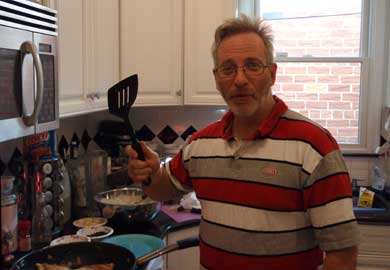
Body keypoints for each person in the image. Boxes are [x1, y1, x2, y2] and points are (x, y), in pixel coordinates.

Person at [126, 14, 360, 270]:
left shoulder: (314, 147)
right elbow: (164, 189)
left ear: (272, 74)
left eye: (252, 65)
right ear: (217, 78)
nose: (239, 79)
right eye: (228, 68)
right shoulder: (201, 145)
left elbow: (343, 254)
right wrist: (148, 174)